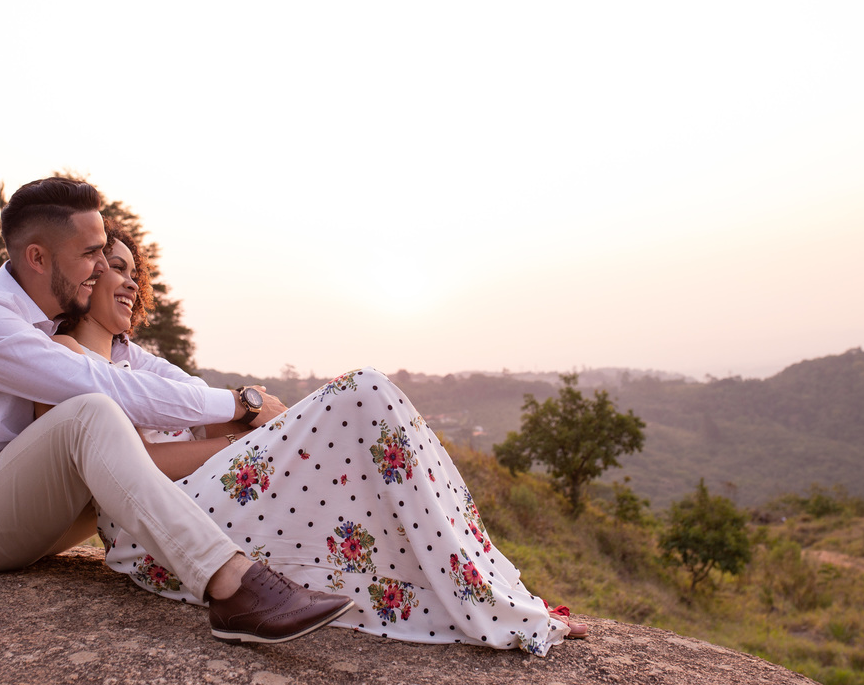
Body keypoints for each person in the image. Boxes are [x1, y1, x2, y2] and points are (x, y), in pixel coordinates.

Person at [40, 217, 586, 657]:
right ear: (85, 279)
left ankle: (491, 590)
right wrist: (234, 442)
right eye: (114, 268)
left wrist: (253, 418)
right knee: (361, 391)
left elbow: (224, 409)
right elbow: (122, 470)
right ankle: (484, 598)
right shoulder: (64, 356)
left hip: (199, 494)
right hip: (156, 526)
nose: (131, 282)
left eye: (134, 271)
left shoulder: (139, 361)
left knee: (364, 411)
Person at [0, 177, 354, 644]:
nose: (102, 267)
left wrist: (260, 415)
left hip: (43, 515)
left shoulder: (62, 328)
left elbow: (169, 386)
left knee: (136, 417)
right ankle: (232, 585)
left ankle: (309, 563)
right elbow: (103, 386)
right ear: (38, 258)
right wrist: (238, 403)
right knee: (90, 413)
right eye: (91, 254)